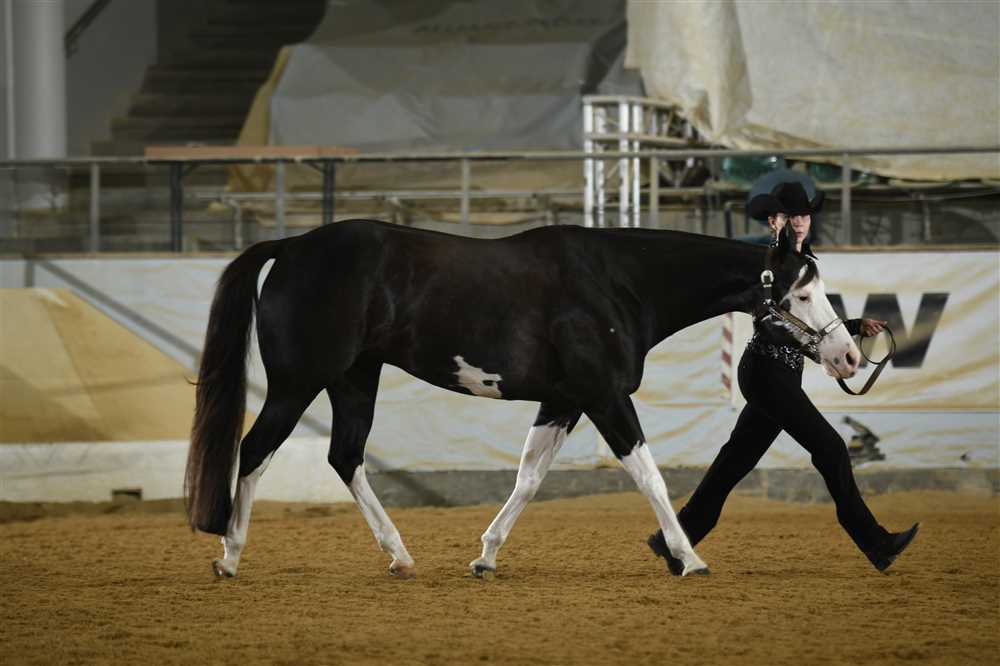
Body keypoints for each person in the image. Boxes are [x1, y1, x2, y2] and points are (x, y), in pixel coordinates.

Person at [648, 178, 919, 574]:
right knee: (830, 448)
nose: (800, 221)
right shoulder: (772, 265)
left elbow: (806, 323)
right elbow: (773, 323)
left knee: (732, 465)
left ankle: (675, 541)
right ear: (777, 220)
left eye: (805, 214)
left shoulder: (802, 262)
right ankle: (874, 542)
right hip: (767, 371)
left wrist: (853, 326)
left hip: (781, 374)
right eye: (792, 216)